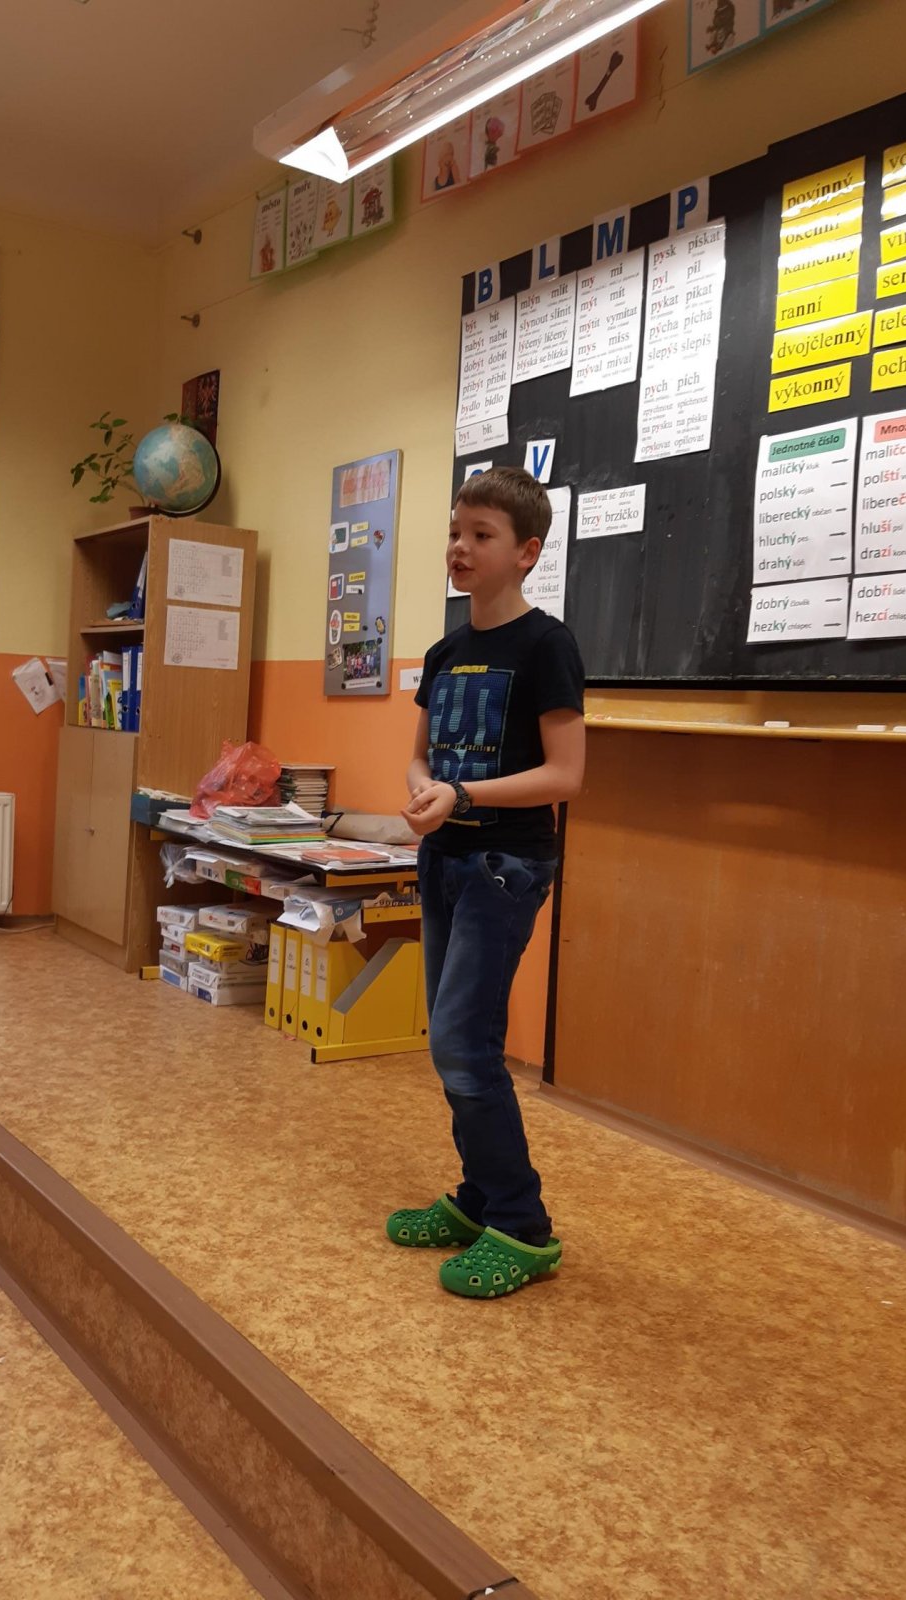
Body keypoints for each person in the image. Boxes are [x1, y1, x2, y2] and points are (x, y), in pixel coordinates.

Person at [390, 466, 585, 1300]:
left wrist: (463, 796)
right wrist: (424, 792)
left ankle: (522, 1226)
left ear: (526, 552)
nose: (460, 549)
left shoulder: (546, 646)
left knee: (461, 1044)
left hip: (506, 866)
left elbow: (565, 775)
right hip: (444, 857)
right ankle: (477, 1199)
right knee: (452, 1038)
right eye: (455, 533)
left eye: (481, 536)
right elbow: (419, 757)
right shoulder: (445, 652)